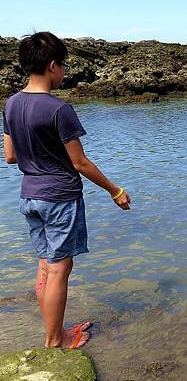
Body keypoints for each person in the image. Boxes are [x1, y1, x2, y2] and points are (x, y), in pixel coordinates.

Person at [2, 31, 131, 349]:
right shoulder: (58, 110)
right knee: (60, 268)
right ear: (51, 66)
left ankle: (52, 331)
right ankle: (55, 338)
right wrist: (115, 191)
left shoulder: (11, 104)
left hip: (29, 196)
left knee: (46, 264)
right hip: (59, 198)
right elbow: (80, 163)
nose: (65, 72)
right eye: (63, 66)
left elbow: (10, 156)